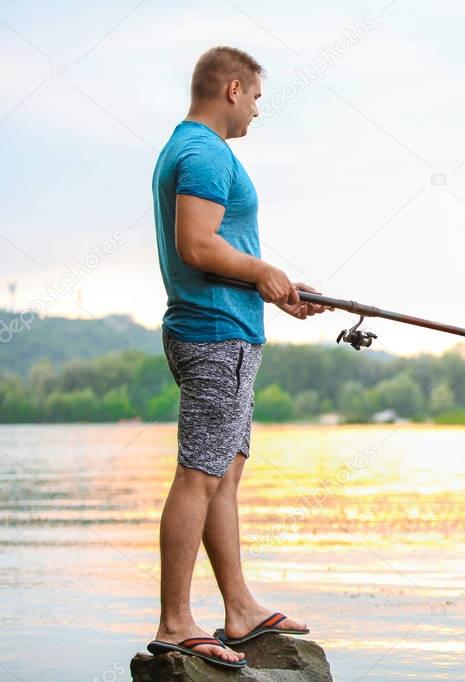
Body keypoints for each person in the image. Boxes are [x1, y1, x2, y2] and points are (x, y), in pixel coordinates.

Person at [147, 46, 327, 669]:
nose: (255, 110)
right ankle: (175, 622)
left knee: (221, 474)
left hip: (230, 331)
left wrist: (275, 291)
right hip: (213, 336)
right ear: (231, 88)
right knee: (199, 474)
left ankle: (240, 609)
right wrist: (264, 270)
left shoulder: (192, 149)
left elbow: (220, 250)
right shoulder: (202, 152)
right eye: (254, 97)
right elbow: (196, 244)